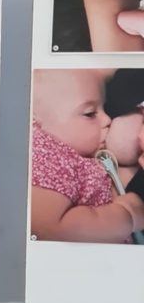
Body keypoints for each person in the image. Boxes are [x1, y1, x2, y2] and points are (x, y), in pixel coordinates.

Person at [31, 69, 144, 243]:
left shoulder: (73, 156)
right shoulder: (45, 153)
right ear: (37, 124)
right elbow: (53, 229)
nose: (107, 120)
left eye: (103, 109)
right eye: (90, 114)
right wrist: (126, 215)